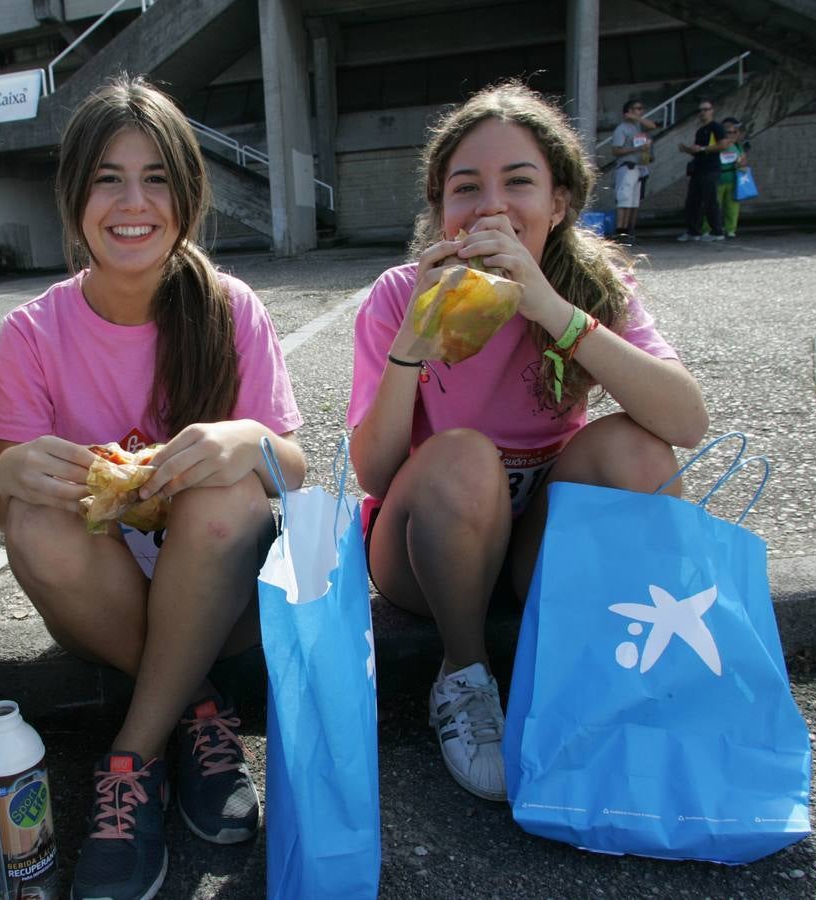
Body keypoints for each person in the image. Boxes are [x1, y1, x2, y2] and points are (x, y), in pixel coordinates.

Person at [0, 75, 304, 900]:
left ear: (188, 193)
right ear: (75, 196)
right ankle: (198, 712)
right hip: (105, 607)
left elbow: (293, 471)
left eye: (157, 176)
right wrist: (11, 469)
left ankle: (131, 756)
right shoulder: (31, 332)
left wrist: (247, 439)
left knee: (228, 493)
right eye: (108, 178)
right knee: (33, 519)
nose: (134, 202)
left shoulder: (231, 308)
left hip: (221, 599)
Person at [346, 80, 708, 803]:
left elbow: (686, 422)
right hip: (425, 543)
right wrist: (412, 347)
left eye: (519, 182)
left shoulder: (592, 284)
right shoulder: (399, 295)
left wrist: (549, 307)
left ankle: (596, 668)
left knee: (638, 449)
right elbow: (378, 473)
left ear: (559, 202)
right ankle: (464, 676)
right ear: (441, 208)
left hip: (534, 542)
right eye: (466, 187)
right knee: (464, 452)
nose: (491, 206)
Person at [678, 97, 732, 241]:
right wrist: (689, 150)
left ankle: (717, 231)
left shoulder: (716, 127)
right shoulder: (701, 130)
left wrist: (702, 148)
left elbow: (724, 144)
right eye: (700, 110)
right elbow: (699, 151)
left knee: (711, 201)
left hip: (711, 169)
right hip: (699, 169)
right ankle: (694, 231)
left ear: (712, 111)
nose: (702, 112)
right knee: (692, 201)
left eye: (706, 109)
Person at [611, 98, 658, 238]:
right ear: (629, 111)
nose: (640, 111)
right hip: (627, 167)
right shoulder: (621, 128)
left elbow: (652, 126)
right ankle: (621, 230)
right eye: (636, 108)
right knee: (624, 199)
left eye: (641, 108)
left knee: (634, 201)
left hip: (640, 168)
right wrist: (636, 149)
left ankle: (629, 230)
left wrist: (638, 118)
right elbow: (616, 151)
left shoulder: (638, 126)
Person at [706, 117, 750, 239]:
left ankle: (730, 229)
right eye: (729, 132)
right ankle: (708, 228)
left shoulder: (737, 146)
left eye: (735, 132)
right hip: (719, 178)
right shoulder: (717, 144)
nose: (733, 135)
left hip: (732, 178)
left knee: (732, 205)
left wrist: (742, 163)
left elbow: (743, 160)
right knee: (714, 204)